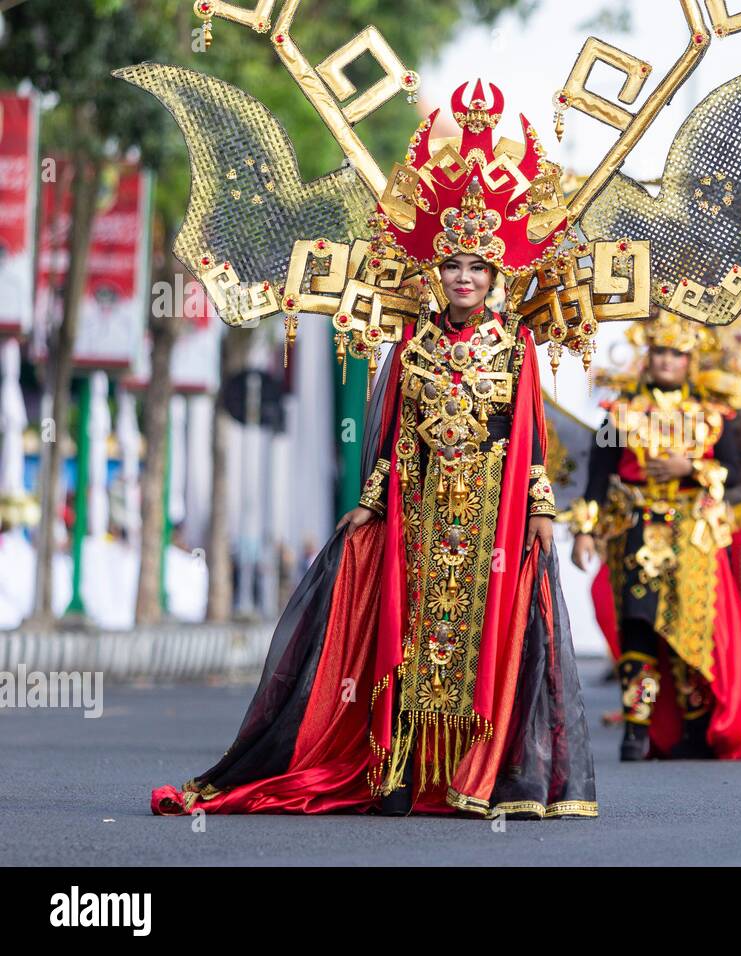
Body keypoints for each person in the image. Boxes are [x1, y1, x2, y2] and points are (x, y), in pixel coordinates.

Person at [151, 83, 597, 819]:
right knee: (407, 635)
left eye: (477, 268)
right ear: (435, 273)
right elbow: (389, 439)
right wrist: (367, 505)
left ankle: (473, 775)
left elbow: (527, 439)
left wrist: (541, 509)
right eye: (452, 265)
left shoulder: (514, 346)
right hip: (417, 515)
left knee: (486, 645)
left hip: (491, 515)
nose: (463, 277)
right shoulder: (412, 348)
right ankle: (398, 768)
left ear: (496, 277)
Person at [570, 311, 741, 762]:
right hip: (635, 529)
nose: (667, 361)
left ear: (691, 361)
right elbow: (598, 476)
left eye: (677, 354)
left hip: (692, 536)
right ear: (649, 356)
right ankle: (636, 727)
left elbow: (735, 475)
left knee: (689, 628)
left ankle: (694, 726)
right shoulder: (620, 413)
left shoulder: (712, 415)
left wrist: (693, 468)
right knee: (638, 625)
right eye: (660, 352)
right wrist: (586, 532)